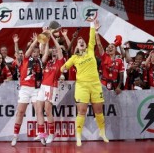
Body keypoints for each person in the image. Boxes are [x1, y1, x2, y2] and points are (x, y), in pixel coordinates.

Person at [60, 18, 109, 147]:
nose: (81, 42)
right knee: (82, 111)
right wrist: (62, 71)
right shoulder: (74, 58)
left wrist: (91, 23)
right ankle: (78, 136)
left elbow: (91, 35)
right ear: (76, 46)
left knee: (99, 111)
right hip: (82, 86)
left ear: (86, 45)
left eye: (82, 41)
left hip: (95, 85)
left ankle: (102, 133)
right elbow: (62, 68)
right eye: (79, 42)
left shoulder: (91, 52)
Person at [11, 33, 44, 146]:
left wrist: (40, 41)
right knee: (20, 112)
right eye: (33, 51)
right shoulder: (25, 59)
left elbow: (42, 49)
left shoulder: (40, 61)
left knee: (39, 111)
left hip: (36, 89)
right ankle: (15, 136)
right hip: (25, 88)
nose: (34, 53)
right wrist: (36, 40)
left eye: (36, 52)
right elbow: (30, 49)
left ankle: (41, 135)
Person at [36, 29, 65, 144]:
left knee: (48, 110)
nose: (54, 51)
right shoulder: (48, 62)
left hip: (51, 86)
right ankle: (42, 133)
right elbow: (43, 50)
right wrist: (46, 37)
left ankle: (52, 134)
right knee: (39, 109)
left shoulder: (60, 62)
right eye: (52, 50)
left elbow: (58, 48)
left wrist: (52, 36)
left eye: (55, 50)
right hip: (43, 86)